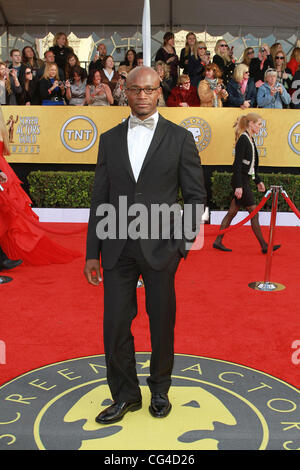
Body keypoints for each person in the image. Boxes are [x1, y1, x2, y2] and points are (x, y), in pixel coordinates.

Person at [84, 66, 206, 424]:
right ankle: (125, 395)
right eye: (136, 89)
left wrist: (180, 245)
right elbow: (99, 198)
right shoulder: (108, 139)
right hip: (116, 247)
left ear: (159, 92)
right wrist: (92, 252)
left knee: (161, 322)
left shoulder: (180, 138)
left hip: (161, 249)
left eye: (149, 90)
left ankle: (160, 389)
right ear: (125, 91)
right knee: (116, 325)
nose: (142, 96)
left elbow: (197, 196)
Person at [0, 108, 80, 265]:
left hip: (3, 172)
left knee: (9, 215)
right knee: (8, 215)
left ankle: (4, 256)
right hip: (3, 171)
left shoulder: (3, 128)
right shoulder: (2, 128)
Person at [213, 113, 281, 254]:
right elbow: (237, 165)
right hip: (241, 182)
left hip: (245, 180)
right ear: (250, 123)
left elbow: (252, 165)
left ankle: (217, 241)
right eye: (259, 124)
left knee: (232, 212)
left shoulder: (250, 139)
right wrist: (238, 186)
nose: (260, 127)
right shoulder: (243, 140)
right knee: (254, 212)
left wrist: (258, 181)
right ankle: (264, 246)